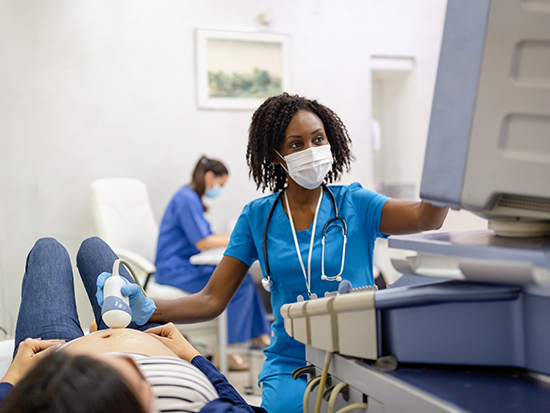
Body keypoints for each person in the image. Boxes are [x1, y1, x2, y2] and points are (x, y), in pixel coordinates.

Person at [101, 93, 449, 413]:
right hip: (290, 364)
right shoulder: (258, 217)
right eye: (296, 144)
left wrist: (447, 161)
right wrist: (147, 307)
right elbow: (211, 299)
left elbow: (426, 217)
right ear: (276, 156)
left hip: (360, 358)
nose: (310, 150)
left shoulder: (357, 203)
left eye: (318, 139)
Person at [0, 237, 266, 413]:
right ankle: (100, 327)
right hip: (148, 341)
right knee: (92, 247)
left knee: (48, 250)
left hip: (55, 365)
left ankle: (97, 328)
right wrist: (192, 356)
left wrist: (12, 378)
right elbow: (238, 407)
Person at [154, 156, 271, 370]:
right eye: (220, 184)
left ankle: (259, 337)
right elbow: (203, 241)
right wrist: (242, 236)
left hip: (185, 265)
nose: (219, 190)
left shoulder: (190, 198)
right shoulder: (186, 198)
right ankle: (229, 350)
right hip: (174, 269)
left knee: (242, 277)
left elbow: (206, 236)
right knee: (237, 282)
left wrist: (238, 235)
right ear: (209, 177)